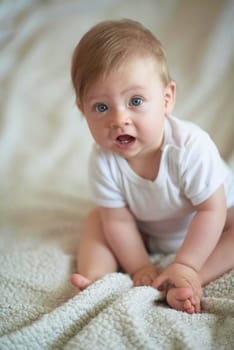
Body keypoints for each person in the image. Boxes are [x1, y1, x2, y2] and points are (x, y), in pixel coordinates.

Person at [70, 19, 234, 313]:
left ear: (166, 99)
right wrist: (139, 266)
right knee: (99, 219)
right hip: (151, 228)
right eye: (101, 107)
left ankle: (187, 278)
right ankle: (97, 278)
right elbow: (119, 221)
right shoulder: (103, 161)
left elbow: (212, 209)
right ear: (83, 110)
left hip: (214, 223)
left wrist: (185, 262)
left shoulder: (189, 148)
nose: (119, 119)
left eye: (135, 101)